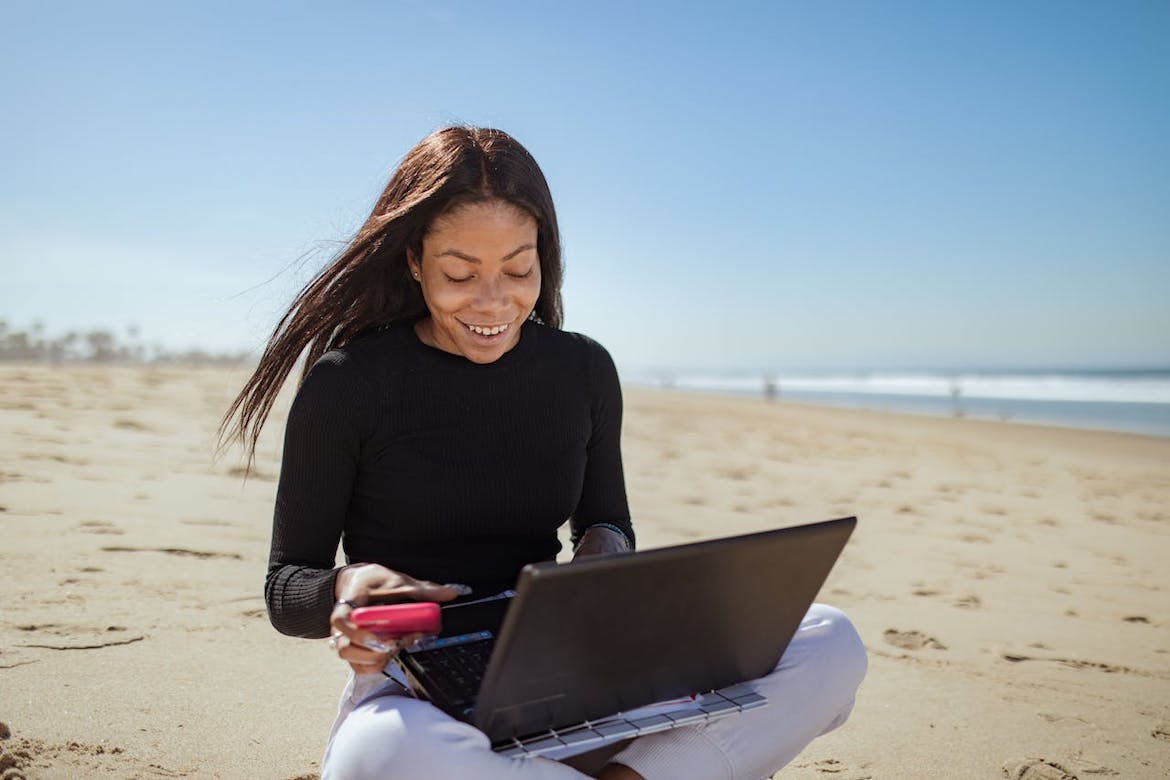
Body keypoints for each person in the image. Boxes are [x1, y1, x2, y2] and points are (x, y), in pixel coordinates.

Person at [221, 126, 867, 780]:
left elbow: (605, 521)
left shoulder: (582, 371)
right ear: (414, 260)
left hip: (575, 665)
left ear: (543, 256)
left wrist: (608, 559)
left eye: (518, 269)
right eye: (459, 273)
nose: (494, 302)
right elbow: (286, 587)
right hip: (421, 695)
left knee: (830, 641)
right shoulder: (349, 384)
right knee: (378, 756)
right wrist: (346, 589)